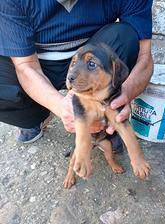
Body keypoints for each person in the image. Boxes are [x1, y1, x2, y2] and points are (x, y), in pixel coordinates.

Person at [0, 0, 153, 151]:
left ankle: (101, 125)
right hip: (36, 60)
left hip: (90, 61)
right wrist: (59, 106)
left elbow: (144, 57)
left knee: (124, 36)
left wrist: (124, 94)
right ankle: (35, 115)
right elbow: (26, 66)